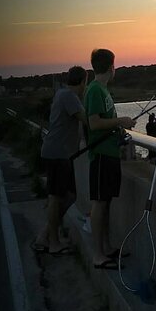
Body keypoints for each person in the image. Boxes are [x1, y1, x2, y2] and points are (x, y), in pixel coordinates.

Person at [85, 48, 136, 269]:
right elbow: (94, 123)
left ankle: (105, 248)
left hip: (110, 153)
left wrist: (119, 129)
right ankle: (98, 255)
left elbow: (103, 122)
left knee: (105, 203)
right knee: (99, 203)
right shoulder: (95, 90)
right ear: (110, 67)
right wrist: (120, 121)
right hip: (101, 156)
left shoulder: (103, 90)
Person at [33, 66, 88, 255]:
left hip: (61, 153)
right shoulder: (70, 97)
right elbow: (86, 119)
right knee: (56, 198)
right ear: (82, 82)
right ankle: (53, 243)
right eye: (85, 83)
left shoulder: (62, 94)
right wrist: (116, 122)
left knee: (70, 195)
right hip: (57, 154)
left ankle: (45, 235)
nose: (85, 87)